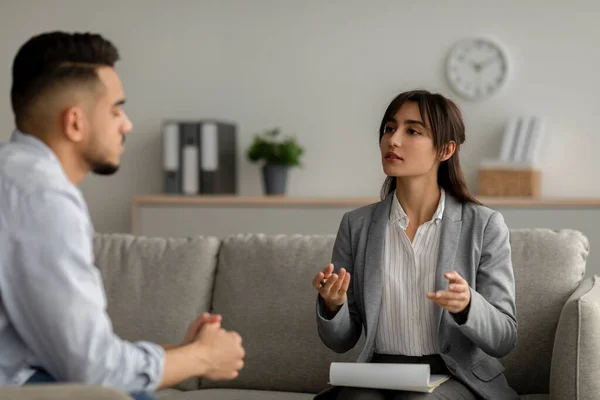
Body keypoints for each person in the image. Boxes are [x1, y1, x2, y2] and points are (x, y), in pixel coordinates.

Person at [0, 31, 245, 400]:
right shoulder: (41, 197)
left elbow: (61, 356)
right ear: (75, 123)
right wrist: (202, 359)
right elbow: (92, 370)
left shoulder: (14, 176)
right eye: (116, 109)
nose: (126, 124)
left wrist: (182, 355)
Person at [312, 90, 518, 400]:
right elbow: (341, 340)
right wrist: (332, 305)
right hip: (378, 372)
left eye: (412, 131)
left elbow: (504, 338)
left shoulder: (484, 224)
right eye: (389, 128)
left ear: (445, 150)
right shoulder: (356, 225)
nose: (393, 140)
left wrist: (468, 307)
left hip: (453, 375)